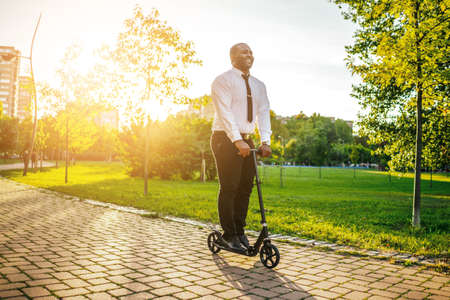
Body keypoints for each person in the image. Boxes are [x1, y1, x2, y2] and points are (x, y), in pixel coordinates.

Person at [210, 43, 272, 251]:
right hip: (224, 138)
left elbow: (263, 112)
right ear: (233, 56)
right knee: (230, 187)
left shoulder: (259, 85)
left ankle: (239, 231)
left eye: (251, 52)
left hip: (247, 139)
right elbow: (224, 113)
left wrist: (265, 141)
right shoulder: (222, 81)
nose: (249, 55)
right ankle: (229, 234)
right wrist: (236, 140)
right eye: (244, 51)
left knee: (246, 188)